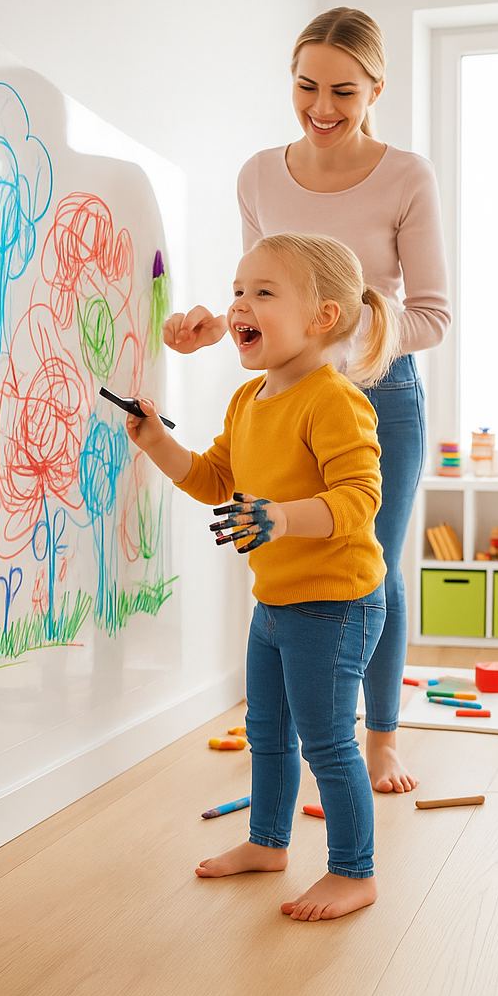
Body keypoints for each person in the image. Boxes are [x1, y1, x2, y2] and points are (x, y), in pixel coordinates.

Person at [164, 7, 450, 795]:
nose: (322, 108)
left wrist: (338, 349)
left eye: (343, 92)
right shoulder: (259, 174)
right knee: (290, 556)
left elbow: (431, 316)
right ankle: (298, 738)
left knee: (372, 566)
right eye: (306, 87)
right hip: (287, 398)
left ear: (376, 89)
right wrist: (218, 325)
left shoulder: (407, 176)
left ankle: (379, 737)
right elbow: (270, 288)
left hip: (381, 395)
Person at [125, 232, 397, 921]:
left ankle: (354, 873)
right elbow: (214, 479)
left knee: (327, 741)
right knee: (268, 734)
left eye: (263, 292)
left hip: (335, 604)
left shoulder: (334, 401)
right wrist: (157, 442)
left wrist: (280, 516)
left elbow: (360, 499)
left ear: (322, 317)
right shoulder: (249, 400)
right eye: (238, 291)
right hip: (275, 602)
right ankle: (267, 843)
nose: (240, 305)